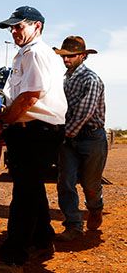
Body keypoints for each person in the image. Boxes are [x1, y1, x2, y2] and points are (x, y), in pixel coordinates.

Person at [0, 6, 67, 273]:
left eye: (18, 26)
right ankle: (43, 238)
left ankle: (14, 257)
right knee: (31, 186)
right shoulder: (25, 53)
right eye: (11, 28)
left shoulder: (35, 53)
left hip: (38, 129)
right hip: (29, 128)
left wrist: (3, 122)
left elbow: (30, 96)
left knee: (24, 192)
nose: (14, 31)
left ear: (37, 26)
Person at [53, 36, 108, 241]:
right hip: (69, 138)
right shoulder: (65, 79)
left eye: (71, 56)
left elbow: (84, 113)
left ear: (83, 56)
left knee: (90, 184)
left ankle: (95, 208)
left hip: (90, 137)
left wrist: (64, 133)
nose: (66, 60)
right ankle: (73, 224)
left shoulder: (91, 80)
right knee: (65, 182)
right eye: (64, 56)